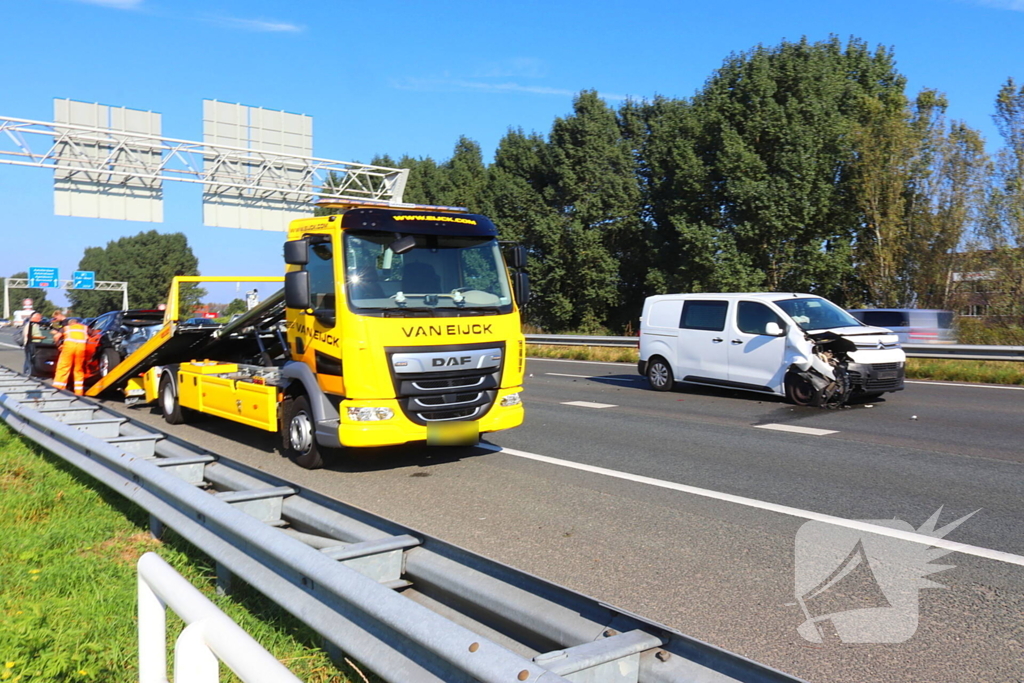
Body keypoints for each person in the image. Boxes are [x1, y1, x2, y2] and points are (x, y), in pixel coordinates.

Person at [52, 317, 90, 395]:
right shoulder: (85, 328)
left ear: (70, 323)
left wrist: (58, 345)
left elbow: (56, 337)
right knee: (78, 370)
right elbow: (93, 335)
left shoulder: (66, 328)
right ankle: (79, 392)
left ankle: (58, 388)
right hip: (81, 349)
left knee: (63, 368)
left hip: (68, 348)